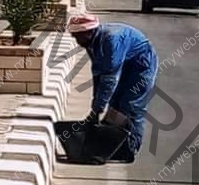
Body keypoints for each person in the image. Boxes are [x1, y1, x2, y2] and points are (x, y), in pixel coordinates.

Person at [68, 14, 158, 163]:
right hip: (127, 63)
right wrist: (95, 108)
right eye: (74, 37)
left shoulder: (110, 40)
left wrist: (97, 109)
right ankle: (114, 145)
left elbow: (109, 78)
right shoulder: (92, 43)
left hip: (142, 64)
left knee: (131, 105)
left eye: (78, 37)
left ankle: (130, 148)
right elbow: (98, 74)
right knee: (115, 104)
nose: (77, 41)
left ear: (89, 32)